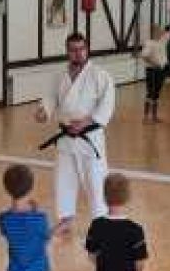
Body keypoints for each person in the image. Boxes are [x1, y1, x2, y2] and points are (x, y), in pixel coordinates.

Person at [36, 33, 116, 238]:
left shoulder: (100, 76)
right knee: (63, 180)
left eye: (81, 49)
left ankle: (101, 223)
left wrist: (85, 122)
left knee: (96, 181)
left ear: (87, 50)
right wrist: (44, 111)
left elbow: (106, 106)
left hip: (89, 138)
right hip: (66, 138)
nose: (78, 53)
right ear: (67, 51)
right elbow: (50, 98)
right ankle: (66, 220)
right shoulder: (59, 76)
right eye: (73, 50)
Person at [136, 25, 170, 123]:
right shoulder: (149, 43)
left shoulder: (162, 40)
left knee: (156, 93)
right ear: (153, 33)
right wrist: (154, 63)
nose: (160, 32)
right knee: (150, 92)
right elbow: (144, 56)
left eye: (160, 30)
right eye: (157, 31)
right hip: (152, 70)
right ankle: (146, 117)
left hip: (161, 70)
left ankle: (154, 117)